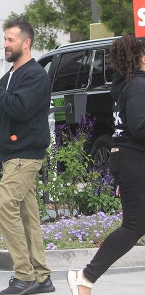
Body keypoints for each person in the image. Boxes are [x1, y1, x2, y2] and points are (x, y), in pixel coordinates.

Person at [0, 19, 54, 295]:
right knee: (28, 217)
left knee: (4, 207)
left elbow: (19, 108)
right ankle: (40, 277)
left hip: (25, 155)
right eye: (4, 39)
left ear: (26, 43)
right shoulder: (11, 75)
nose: (5, 44)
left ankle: (24, 276)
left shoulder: (35, 74)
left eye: (10, 40)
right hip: (13, 156)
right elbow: (0, 114)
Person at [66, 34, 145, 295]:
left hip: (128, 159)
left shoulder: (126, 84)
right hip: (134, 159)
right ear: (140, 57)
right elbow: (139, 126)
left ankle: (86, 277)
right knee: (134, 226)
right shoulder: (137, 86)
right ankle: (86, 277)